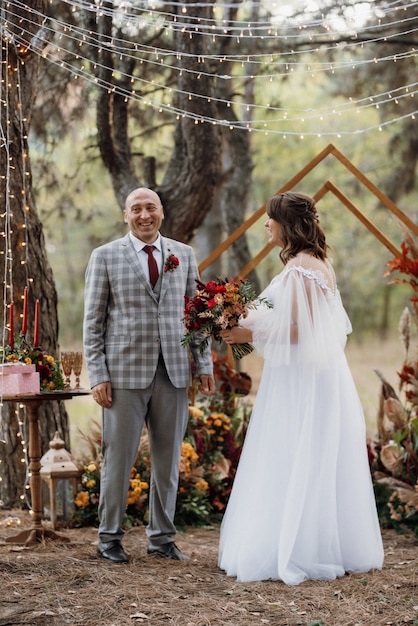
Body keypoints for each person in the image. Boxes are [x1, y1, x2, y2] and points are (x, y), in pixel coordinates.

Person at [218, 191, 384, 585]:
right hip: (313, 374)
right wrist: (249, 318)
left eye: (269, 219)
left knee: (294, 449)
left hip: (302, 380)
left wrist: (246, 331)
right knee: (308, 452)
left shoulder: (300, 268)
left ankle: (297, 549)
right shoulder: (313, 262)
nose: (265, 225)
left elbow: (300, 331)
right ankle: (320, 541)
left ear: (287, 224)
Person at [83, 187, 214, 564]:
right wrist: (98, 374)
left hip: (174, 371)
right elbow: (93, 322)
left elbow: (197, 316)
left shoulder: (183, 254)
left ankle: (162, 538)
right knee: (117, 460)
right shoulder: (105, 256)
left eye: (150, 208)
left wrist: (202, 365)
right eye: (136, 209)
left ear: (161, 212)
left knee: (168, 459)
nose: (144, 215)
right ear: (126, 215)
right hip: (122, 374)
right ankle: (109, 538)